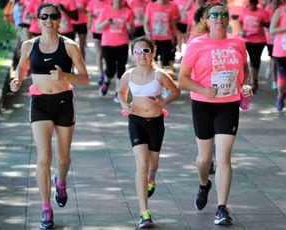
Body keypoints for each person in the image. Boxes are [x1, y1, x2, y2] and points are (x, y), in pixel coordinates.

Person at [9, 3, 89, 229]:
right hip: (40, 103)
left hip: (64, 102)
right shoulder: (29, 45)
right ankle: (45, 208)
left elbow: (84, 78)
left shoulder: (70, 46)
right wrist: (17, 81)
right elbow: (22, 70)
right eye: (44, 17)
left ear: (59, 20)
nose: (49, 20)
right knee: (44, 157)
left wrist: (65, 75)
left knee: (63, 158)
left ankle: (61, 182)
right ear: (38, 19)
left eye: (53, 17)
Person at [178, 3, 252, 226]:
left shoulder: (237, 42)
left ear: (228, 19)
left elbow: (244, 68)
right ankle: (203, 184)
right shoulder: (196, 44)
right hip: (202, 104)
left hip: (228, 104)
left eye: (223, 14)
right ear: (207, 20)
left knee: (224, 158)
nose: (219, 18)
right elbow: (183, 79)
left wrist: (245, 85)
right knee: (203, 159)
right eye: (214, 15)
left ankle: (222, 208)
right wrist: (204, 90)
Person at [118, 36, 180, 228]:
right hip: (136, 121)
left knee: (153, 165)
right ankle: (144, 212)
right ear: (133, 54)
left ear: (152, 53)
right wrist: (124, 105)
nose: (142, 55)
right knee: (142, 165)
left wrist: (162, 102)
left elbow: (175, 91)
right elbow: (121, 92)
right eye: (138, 51)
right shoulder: (128, 75)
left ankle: (152, 178)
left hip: (156, 122)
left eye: (146, 51)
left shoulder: (159, 75)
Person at [96, 0, 135, 103]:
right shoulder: (105, 10)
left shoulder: (127, 12)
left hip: (122, 43)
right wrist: (107, 22)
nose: (118, 1)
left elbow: (132, 29)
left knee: (121, 67)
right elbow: (98, 27)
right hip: (108, 44)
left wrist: (130, 27)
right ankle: (106, 81)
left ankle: (119, 93)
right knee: (110, 69)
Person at [238, 0, 268, 93]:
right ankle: (253, 82)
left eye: (253, 4)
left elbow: (268, 24)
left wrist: (262, 24)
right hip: (247, 40)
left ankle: (254, 80)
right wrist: (241, 31)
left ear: (256, 4)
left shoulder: (262, 12)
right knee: (252, 59)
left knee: (256, 59)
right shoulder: (244, 11)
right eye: (250, 4)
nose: (251, 6)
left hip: (260, 40)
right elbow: (239, 21)